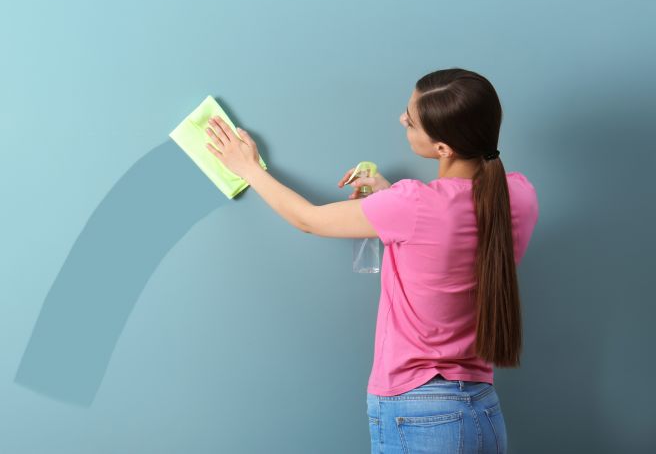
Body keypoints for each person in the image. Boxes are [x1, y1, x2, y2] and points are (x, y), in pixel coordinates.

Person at [204, 67, 539, 453]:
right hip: (483, 411)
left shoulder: (412, 204)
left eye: (411, 121)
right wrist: (389, 197)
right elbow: (449, 228)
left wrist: (246, 166)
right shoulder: (520, 196)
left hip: (419, 413)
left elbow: (308, 220)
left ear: (443, 148)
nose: (402, 119)